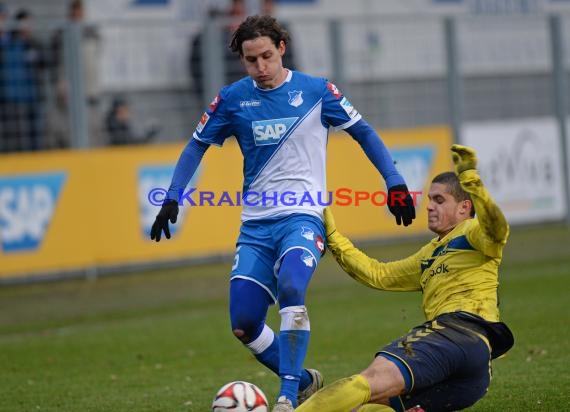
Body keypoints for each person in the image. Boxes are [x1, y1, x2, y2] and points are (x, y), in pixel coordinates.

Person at [150, 15, 416, 412]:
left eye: (267, 57)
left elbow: (364, 131)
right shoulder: (232, 98)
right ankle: (306, 379)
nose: (260, 67)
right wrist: (173, 196)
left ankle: (288, 398)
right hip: (256, 226)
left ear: (282, 49)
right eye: (251, 59)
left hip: (304, 217)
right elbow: (195, 146)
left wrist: (394, 181)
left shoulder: (316, 90)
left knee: (292, 285)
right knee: (243, 324)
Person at [295, 145, 514, 412]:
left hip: (453, 335)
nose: (430, 207)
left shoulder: (473, 232)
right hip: (473, 370)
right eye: (430, 199)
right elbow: (379, 274)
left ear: (464, 207)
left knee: (369, 381)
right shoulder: (430, 254)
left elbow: (497, 230)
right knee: (367, 406)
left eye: (439, 200)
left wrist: (472, 181)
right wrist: (333, 237)